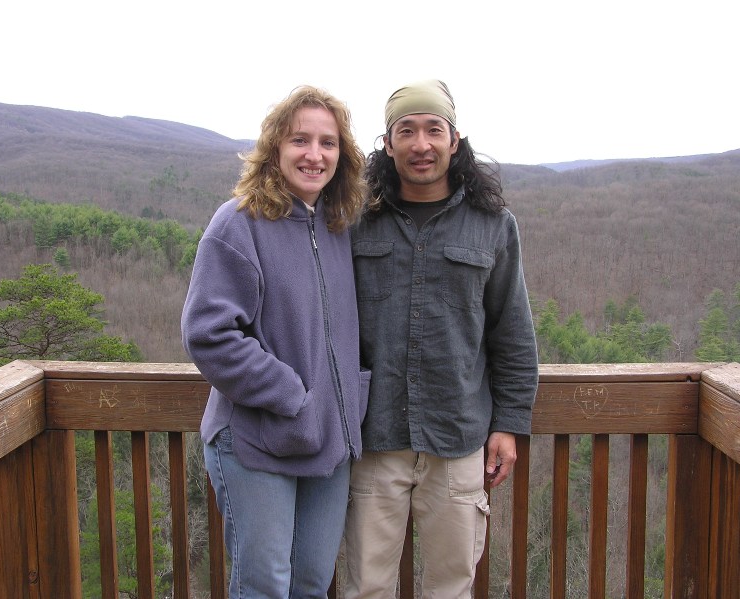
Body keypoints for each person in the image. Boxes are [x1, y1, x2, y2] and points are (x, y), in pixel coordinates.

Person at [344, 80, 539, 598]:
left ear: (456, 141)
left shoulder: (494, 226)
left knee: (451, 588)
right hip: (374, 437)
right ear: (388, 144)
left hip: (458, 436)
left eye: (434, 129)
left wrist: (510, 424)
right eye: (406, 131)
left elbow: (512, 334)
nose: (421, 144)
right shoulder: (358, 223)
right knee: (366, 586)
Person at [181, 85, 369, 598]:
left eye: (327, 143)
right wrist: (291, 393)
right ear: (275, 149)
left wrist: (345, 400)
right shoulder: (239, 222)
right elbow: (208, 334)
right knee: (265, 586)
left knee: (310, 582)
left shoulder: (337, 224)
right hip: (256, 441)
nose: (314, 154)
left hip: (326, 442)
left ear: (342, 154)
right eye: (299, 140)